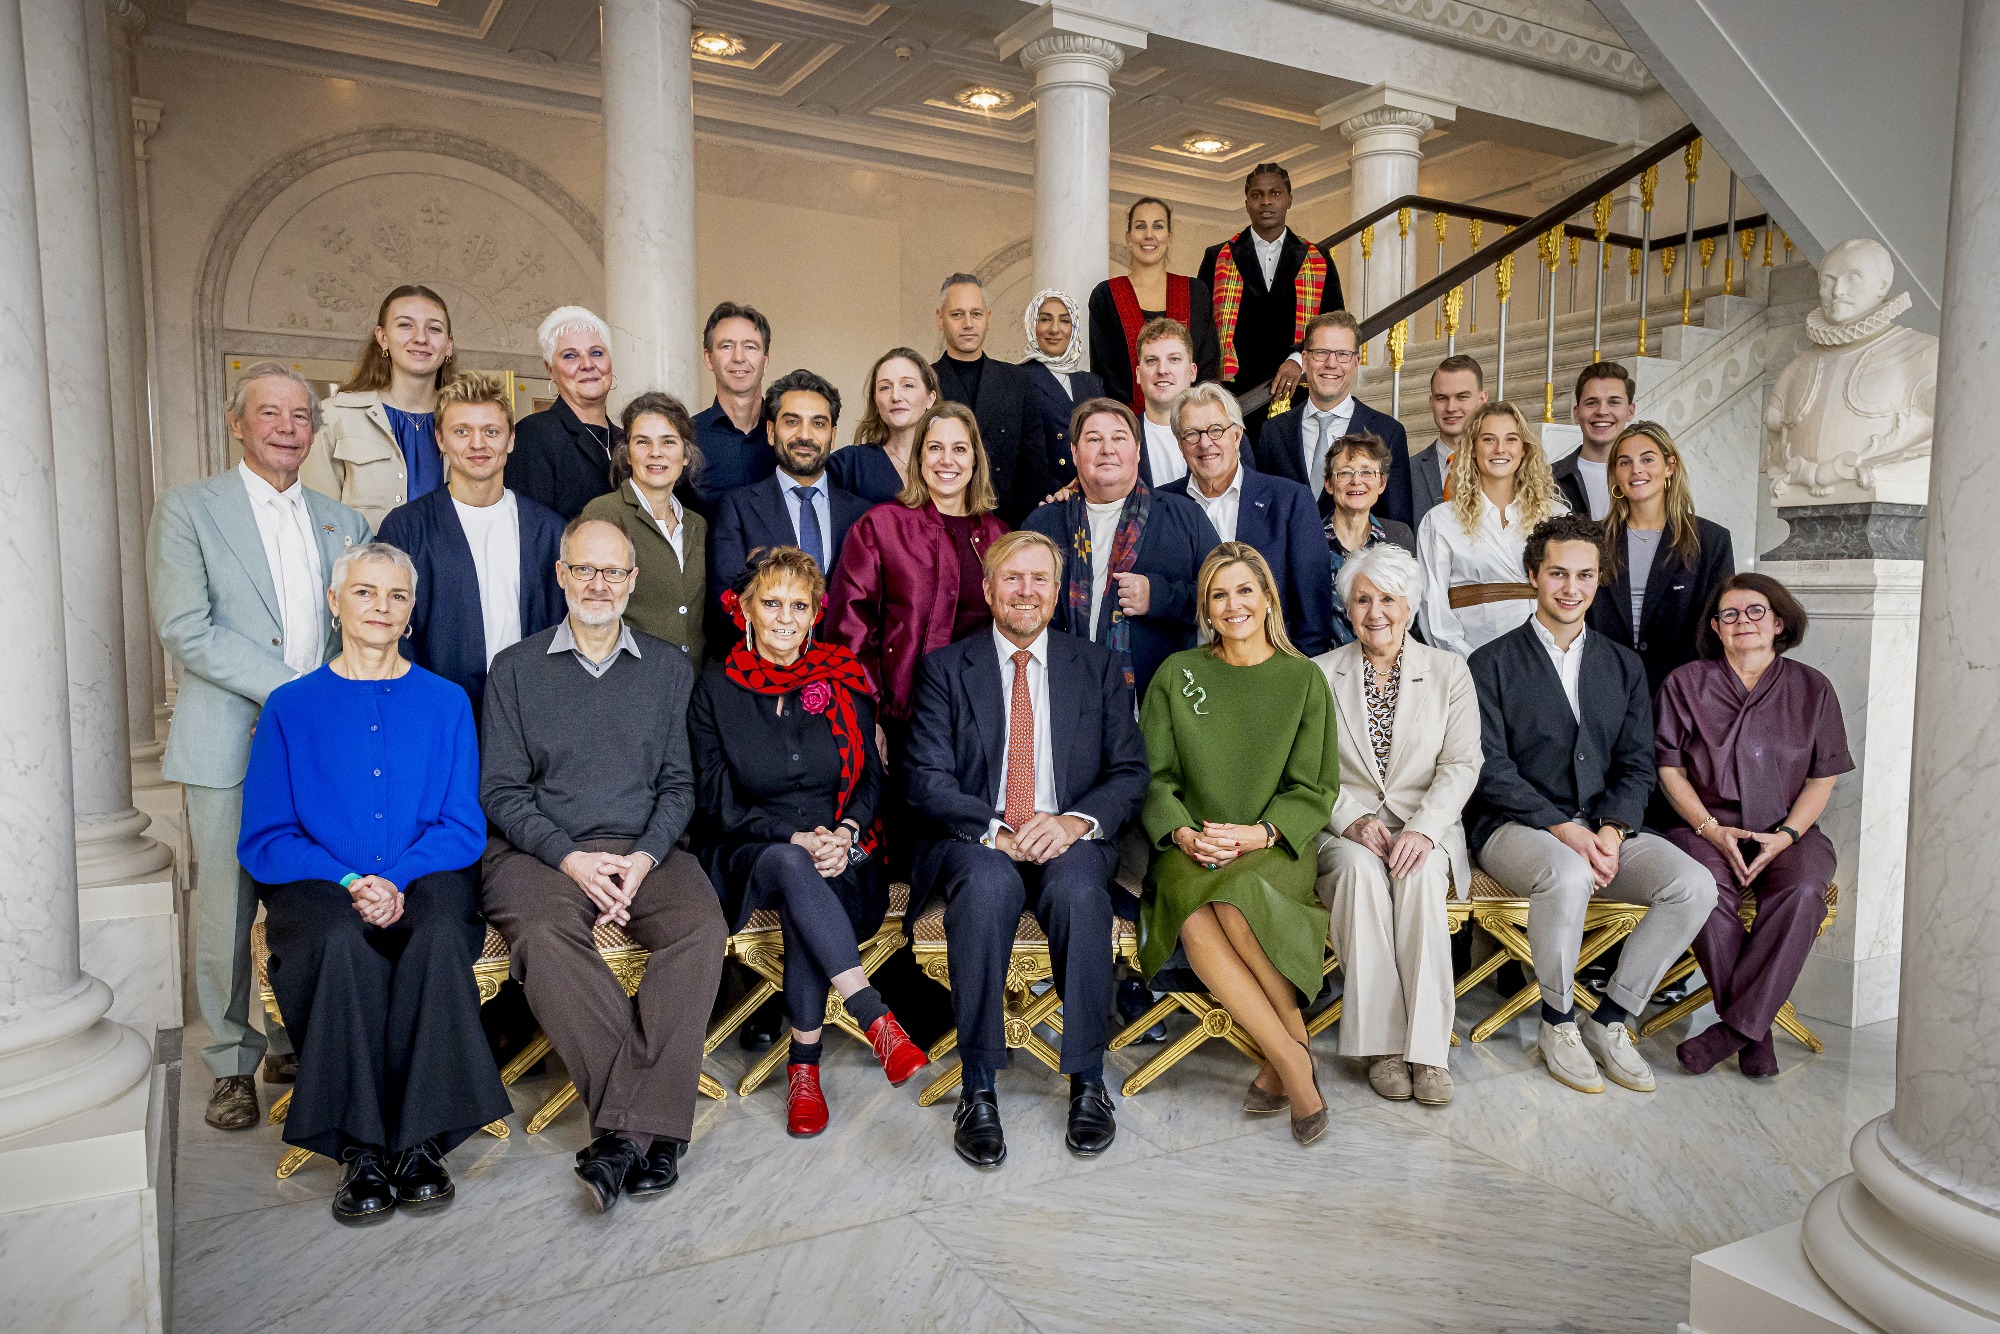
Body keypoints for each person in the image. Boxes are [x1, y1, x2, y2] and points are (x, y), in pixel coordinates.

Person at [238, 542, 509, 1225]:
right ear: (336, 603)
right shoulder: (290, 706)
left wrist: (396, 878)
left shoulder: (446, 702)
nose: (380, 608)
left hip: (426, 871)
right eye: (364, 592)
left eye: (396, 596)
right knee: (336, 939)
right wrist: (350, 879)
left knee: (440, 930)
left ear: (412, 612)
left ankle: (421, 1142)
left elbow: (461, 824)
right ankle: (359, 1148)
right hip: (316, 880)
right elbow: (267, 835)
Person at [479, 517, 728, 1213]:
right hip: (540, 851)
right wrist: (570, 859)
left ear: (632, 581)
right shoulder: (515, 669)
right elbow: (501, 790)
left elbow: (679, 785)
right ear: (560, 575)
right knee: (543, 934)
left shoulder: (668, 670)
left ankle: (621, 1135)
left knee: (700, 928)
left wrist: (644, 857)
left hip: (645, 846)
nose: (599, 584)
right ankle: (651, 1129)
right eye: (584, 569)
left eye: (613, 572)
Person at [148, 362, 372, 1132]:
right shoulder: (189, 510)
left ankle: (289, 1040)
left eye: (299, 415)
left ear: (314, 431)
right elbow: (185, 627)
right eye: (268, 413)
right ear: (236, 422)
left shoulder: (346, 522)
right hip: (228, 738)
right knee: (226, 905)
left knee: (307, 891)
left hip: (320, 747)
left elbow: (358, 630)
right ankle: (230, 1064)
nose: (285, 427)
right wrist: (290, 695)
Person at [904, 530, 1149, 1167]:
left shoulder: (1094, 667)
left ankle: (1088, 1079)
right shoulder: (945, 669)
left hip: (1069, 836)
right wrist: (997, 830)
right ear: (988, 590)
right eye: (1012, 578)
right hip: (979, 837)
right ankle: (978, 1086)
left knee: (1079, 893)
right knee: (986, 889)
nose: (1026, 591)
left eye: (1040, 579)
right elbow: (926, 779)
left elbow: (1129, 772)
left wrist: (1073, 823)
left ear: (1056, 592)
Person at [1467, 515, 1715, 1096]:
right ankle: (1556, 1022)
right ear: (1534, 575)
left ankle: (1609, 1020)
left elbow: (1637, 764)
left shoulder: (1622, 665)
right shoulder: (1489, 662)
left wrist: (1612, 829)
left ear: (1599, 579)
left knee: (1693, 885)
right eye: (1557, 573)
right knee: (1568, 872)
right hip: (1513, 827)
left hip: (1603, 829)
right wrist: (1565, 830)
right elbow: (1490, 768)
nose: (1571, 588)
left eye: (1584, 575)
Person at [690, 548, 928, 1138]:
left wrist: (846, 834)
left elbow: (870, 779)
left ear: (816, 614)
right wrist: (792, 834)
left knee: (807, 882)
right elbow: (715, 799)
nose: (786, 618)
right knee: (791, 860)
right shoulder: (715, 687)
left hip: (841, 852)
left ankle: (804, 1071)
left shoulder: (841, 676)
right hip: (747, 851)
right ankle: (872, 1014)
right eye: (772, 604)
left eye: (799, 606)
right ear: (746, 609)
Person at [1139, 544, 1341, 1146]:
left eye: (1245, 590)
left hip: (1274, 844)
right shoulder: (1177, 673)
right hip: (1190, 844)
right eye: (1219, 595)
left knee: (1236, 900)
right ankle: (1295, 1059)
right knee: (1196, 911)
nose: (1234, 605)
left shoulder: (1303, 679)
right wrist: (1182, 831)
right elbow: (1153, 776)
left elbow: (1315, 786)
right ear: (1206, 608)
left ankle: (1284, 1062)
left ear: (1268, 598)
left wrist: (1261, 833)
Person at [1656, 574, 1851, 1078]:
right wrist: (1710, 829)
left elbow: (1822, 777)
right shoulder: (1684, 683)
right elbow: (1670, 771)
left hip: (1789, 830)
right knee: (1702, 889)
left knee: (1804, 889)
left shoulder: (1813, 688)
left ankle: (1732, 1031)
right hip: (1703, 828)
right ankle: (1755, 1031)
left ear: (1779, 622)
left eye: (1756, 611)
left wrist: (1786, 836)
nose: (1743, 621)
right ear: (1716, 628)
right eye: (1730, 614)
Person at [1311, 544, 1480, 1106]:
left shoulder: (1449, 671)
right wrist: (1352, 820)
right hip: (1346, 831)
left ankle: (1428, 1051)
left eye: (1388, 598)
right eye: (1363, 600)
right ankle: (1384, 1046)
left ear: (1410, 606)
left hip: (1425, 825)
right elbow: (1307, 770)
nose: (1375, 612)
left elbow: (1462, 763)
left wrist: (1424, 829)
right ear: (1347, 608)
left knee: (1421, 875)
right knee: (1359, 875)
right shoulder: (1319, 674)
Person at [377, 372, 565, 719]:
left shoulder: (549, 531)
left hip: (532, 715)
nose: (478, 444)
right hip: (435, 714)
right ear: (440, 439)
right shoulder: (406, 528)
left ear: (510, 439)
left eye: (491, 432)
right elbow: (390, 631)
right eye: (462, 431)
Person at [1023, 398, 1220, 695]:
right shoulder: (1043, 525)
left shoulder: (1184, 517)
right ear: (1074, 452)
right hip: (1062, 695)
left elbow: (1224, 597)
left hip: (1161, 699)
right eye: (1094, 439)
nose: (1107, 449)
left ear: (1137, 450)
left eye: (1118, 438)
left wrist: (1159, 596)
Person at [1158, 381, 1334, 655]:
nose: (1205, 443)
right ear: (1180, 445)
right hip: (1184, 669)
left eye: (1216, 430)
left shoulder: (1289, 501)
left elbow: (1313, 613)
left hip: (1272, 669)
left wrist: (1298, 672)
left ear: (1237, 435)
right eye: (1191, 434)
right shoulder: (1160, 506)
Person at [1586, 421, 1736, 695]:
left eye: (1647, 459)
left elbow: (1719, 623)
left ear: (1670, 466)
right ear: (1615, 474)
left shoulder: (1711, 540)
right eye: (1625, 462)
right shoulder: (1592, 539)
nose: (1636, 470)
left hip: (1683, 691)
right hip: (1605, 687)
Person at [1197, 163, 1344, 435]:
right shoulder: (1217, 257)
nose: (1266, 201)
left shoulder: (1318, 258)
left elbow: (1335, 325)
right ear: (1246, 203)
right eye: (1257, 195)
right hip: (1233, 395)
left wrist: (1298, 360)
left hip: (1298, 392)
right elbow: (1202, 331)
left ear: (1289, 199)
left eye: (1275, 193)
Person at [1416, 400, 1565, 657]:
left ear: (1524, 449)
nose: (1500, 449)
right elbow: (1433, 607)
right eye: (1488, 439)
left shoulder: (1555, 516)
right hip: (1470, 659)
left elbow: (1569, 590)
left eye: (1511, 439)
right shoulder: (1440, 520)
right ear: (1473, 449)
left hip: (1546, 654)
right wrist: (1468, 663)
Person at [303, 285, 457, 531]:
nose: (421, 338)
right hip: (362, 556)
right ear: (382, 337)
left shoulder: (468, 422)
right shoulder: (334, 416)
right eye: (405, 325)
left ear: (448, 345)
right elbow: (319, 524)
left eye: (434, 329)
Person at [710, 369, 870, 605]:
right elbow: (728, 599)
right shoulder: (738, 507)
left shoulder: (861, 515)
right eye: (792, 422)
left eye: (818, 423)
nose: (804, 435)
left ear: (833, 436)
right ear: (771, 431)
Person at [579, 391, 709, 662]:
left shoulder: (697, 524)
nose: (655, 453)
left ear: (686, 454)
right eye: (643, 442)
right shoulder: (604, 514)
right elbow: (590, 609)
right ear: (627, 454)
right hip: (629, 677)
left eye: (668, 441)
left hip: (691, 678)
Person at [1255, 312, 1412, 527]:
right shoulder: (1274, 432)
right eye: (1321, 353)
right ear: (1305, 360)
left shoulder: (1387, 432)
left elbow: (1398, 525)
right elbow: (1262, 516)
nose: (1331, 363)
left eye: (1343, 354)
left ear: (1356, 362)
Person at [932, 273, 1049, 522]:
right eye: (957, 314)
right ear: (940, 319)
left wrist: (1029, 527)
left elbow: (1035, 465)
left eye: (976, 314)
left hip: (1007, 522)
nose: (968, 323)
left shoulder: (1017, 380)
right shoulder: (924, 382)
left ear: (989, 318)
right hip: (940, 520)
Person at [1088, 198, 1220, 409]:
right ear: (1128, 237)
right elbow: (1104, 372)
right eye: (1140, 226)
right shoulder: (1106, 296)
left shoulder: (1196, 292)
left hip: (1190, 419)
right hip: (1126, 421)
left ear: (1169, 237)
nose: (1149, 234)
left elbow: (1207, 365)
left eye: (1158, 226)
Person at [506, 306, 619, 521]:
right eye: (570, 356)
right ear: (550, 369)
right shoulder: (533, 435)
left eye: (596, 353)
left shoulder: (628, 439)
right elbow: (531, 527)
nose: (587, 364)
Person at [1320, 433, 1420, 645]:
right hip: (1323, 659)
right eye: (1345, 473)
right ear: (1329, 484)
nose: (1356, 481)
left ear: (1382, 483)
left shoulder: (1399, 535)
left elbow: (1411, 609)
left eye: (1367, 472)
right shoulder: (1308, 538)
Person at [690, 302, 777, 513]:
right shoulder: (687, 437)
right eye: (726, 346)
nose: (739, 358)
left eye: (750, 347)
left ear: (765, 361)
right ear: (708, 359)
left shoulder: (787, 434)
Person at [829, 347, 939, 505]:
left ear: (930, 398)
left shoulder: (949, 462)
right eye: (885, 387)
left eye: (908, 385)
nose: (896, 396)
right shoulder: (848, 464)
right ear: (875, 399)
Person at [1020, 290, 1103, 493]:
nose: (1055, 329)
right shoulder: (1017, 378)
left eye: (1065, 321)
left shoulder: (1092, 383)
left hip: (1091, 493)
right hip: (1043, 497)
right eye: (1045, 319)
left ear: (1074, 328)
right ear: (1032, 325)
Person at [1410, 355, 1488, 533]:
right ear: (1431, 402)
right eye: (1441, 398)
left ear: (1482, 399)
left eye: (1462, 397)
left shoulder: (1502, 467)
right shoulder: (1408, 472)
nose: (1451, 407)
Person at [1552, 362, 1638, 519]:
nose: (1602, 411)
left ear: (1630, 411)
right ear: (1576, 414)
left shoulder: (1646, 478)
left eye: (1614, 402)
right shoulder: (1548, 481)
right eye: (1591, 403)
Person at [1133, 317, 1197, 488]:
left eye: (1174, 359)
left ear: (1192, 372)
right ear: (1138, 374)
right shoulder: (1122, 438)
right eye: (1151, 360)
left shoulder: (1224, 434)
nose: (1162, 370)